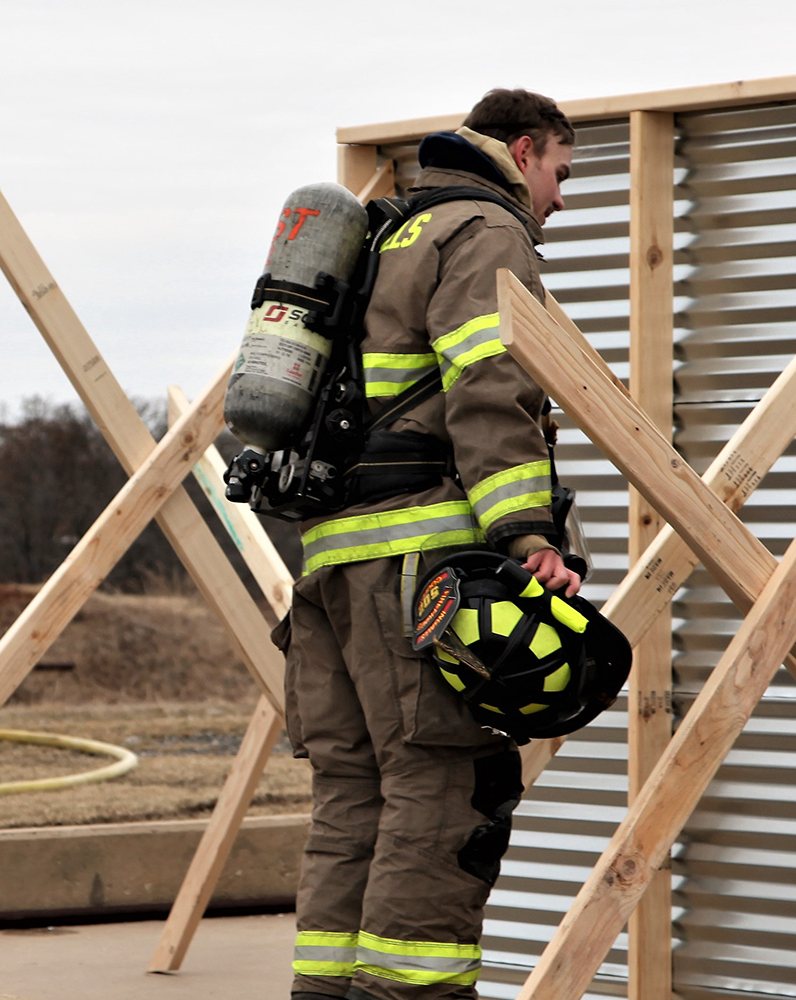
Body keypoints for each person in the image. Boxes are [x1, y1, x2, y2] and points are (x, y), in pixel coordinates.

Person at [281, 88, 580, 1000]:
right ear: (522, 152)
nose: (560, 201)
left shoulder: (384, 232)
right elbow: (490, 385)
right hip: (418, 566)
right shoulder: (481, 230)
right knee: (442, 784)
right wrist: (526, 531)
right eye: (562, 175)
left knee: (355, 796)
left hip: (332, 563)